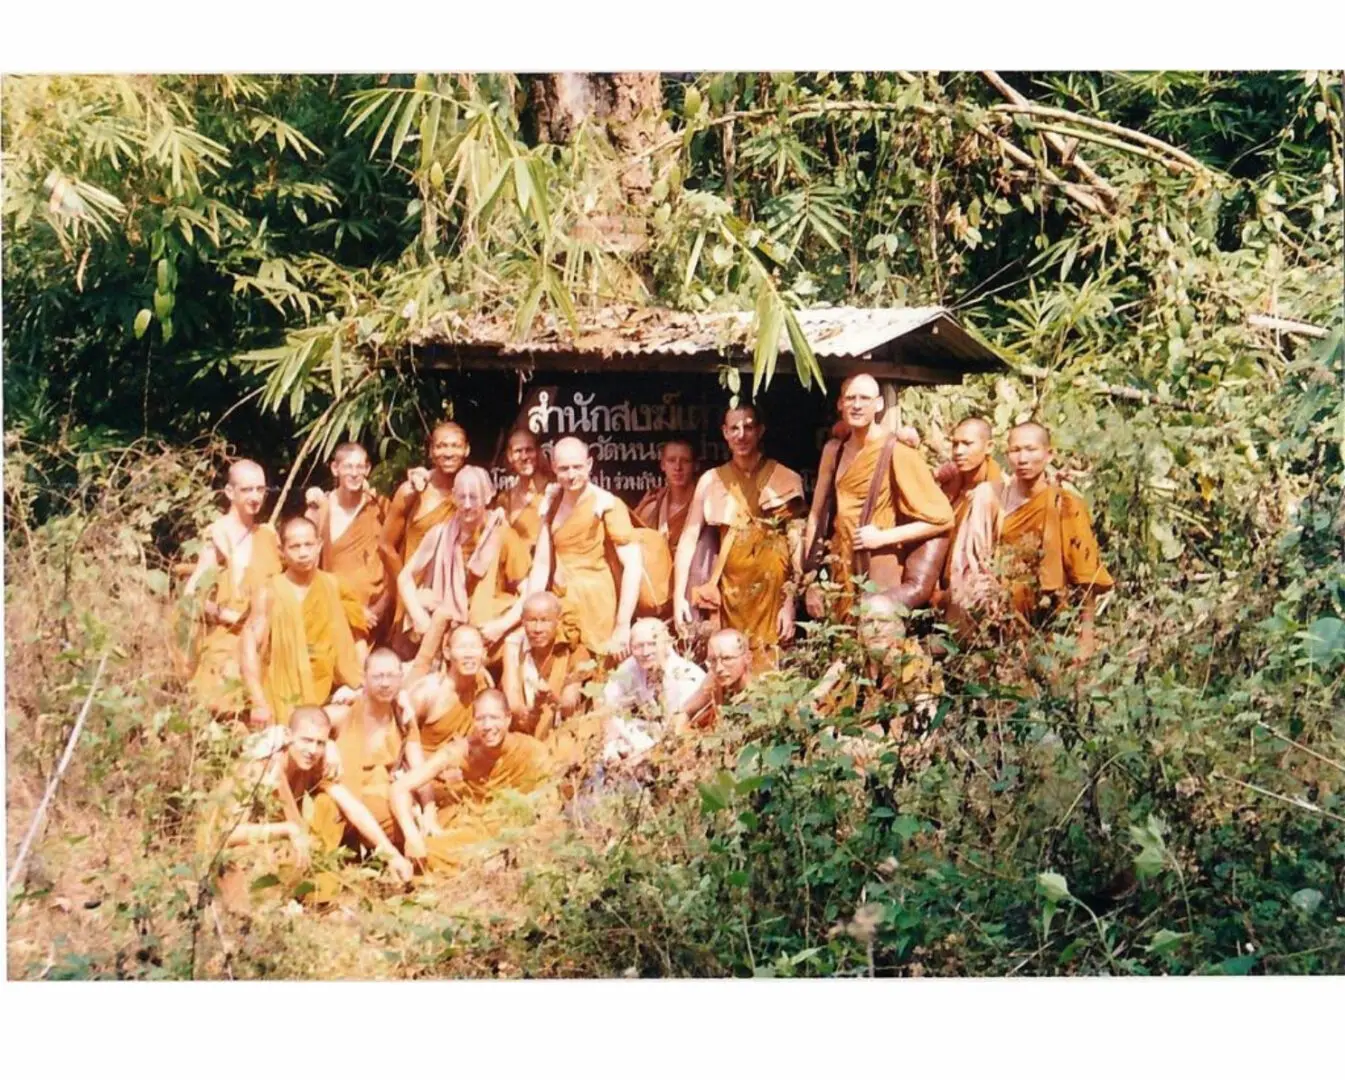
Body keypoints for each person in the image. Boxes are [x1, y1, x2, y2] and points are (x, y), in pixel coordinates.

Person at [948, 421, 1114, 659]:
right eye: (1015, 451)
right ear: (1006, 455)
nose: (1022, 459)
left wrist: (1086, 635)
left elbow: (1085, 575)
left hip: (1052, 618)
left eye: (1030, 449)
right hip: (1000, 618)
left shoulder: (1065, 504)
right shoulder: (993, 499)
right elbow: (973, 562)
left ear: (1049, 454)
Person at [201, 706, 411, 887]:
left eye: (320, 743)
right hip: (224, 849)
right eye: (306, 740)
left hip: (275, 843)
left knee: (327, 811)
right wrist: (286, 829)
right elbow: (224, 834)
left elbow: (353, 808)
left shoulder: (314, 763)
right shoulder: (261, 766)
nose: (312, 750)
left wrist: (391, 854)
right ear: (289, 737)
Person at [803, 374, 954, 618]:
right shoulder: (834, 450)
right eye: (850, 398)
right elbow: (816, 514)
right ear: (840, 404)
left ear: (879, 404)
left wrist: (884, 537)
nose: (857, 405)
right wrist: (809, 579)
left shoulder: (897, 450)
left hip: (879, 561)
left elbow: (943, 519)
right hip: (839, 565)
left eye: (865, 398)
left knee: (878, 640)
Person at [672, 404, 805, 665]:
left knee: (773, 670)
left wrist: (790, 602)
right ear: (725, 433)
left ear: (760, 431)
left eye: (748, 427)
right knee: (730, 664)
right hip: (730, 593)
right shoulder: (711, 480)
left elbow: (798, 545)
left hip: (773, 594)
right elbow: (688, 538)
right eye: (734, 428)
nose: (741, 435)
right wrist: (679, 597)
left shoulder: (786, 477)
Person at [390, 689, 551, 872]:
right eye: (481, 719)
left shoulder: (531, 750)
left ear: (508, 719)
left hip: (514, 827)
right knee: (426, 852)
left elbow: (549, 800)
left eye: (494, 718)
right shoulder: (463, 751)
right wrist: (411, 836)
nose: (487, 726)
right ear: (473, 721)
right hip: (475, 827)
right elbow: (399, 788)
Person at [240, 516, 365, 728]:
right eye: (295, 547)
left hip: (325, 696)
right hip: (281, 698)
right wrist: (258, 701)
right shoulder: (270, 592)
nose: (303, 553)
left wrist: (357, 683)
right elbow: (249, 646)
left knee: (356, 715)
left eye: (309, 545)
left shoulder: (332, 585)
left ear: (319, 545)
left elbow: (358, 638)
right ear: (281, 550)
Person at [526, 436, 643, 657]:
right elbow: (541, 565)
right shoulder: (551, 502)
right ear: (553, 467)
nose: (571, 475)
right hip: (561, 601)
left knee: (598, 676)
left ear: (589, 464)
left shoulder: (606, 504)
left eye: (577, 467)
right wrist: (532, 615)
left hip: (597, 602)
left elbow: (633, 566)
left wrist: (622, 624)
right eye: (564, 468)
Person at [396, 465, 531, 659]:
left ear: (489, 495)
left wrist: (501, 626)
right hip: (446, 620)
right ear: (453, 496)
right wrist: (419, 616)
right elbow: (405, 577)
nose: (467, 505)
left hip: (487, 625)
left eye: (474, 497)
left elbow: (527, 590)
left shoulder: (502, 535)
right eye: (462, 497)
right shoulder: (440, 534)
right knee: (423, 600)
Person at [184, 460, 283, 714]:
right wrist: (231, 617)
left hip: (265, 643)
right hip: (228, 643)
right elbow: (191, 596)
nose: (255, 497)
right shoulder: (218, 535)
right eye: (247, 490)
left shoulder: (266, 535)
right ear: (230, 492)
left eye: (260, 489)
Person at [315, 648, 425, 858]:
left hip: (384, 799)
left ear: (401, 678)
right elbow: (305, 725)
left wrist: (428, 813)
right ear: (364, 678)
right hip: (346, 795)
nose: (385, 683)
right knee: (325, 807)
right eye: (378, 676)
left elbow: (419, 769)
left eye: (391, 676)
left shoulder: (403, 717)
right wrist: (327, 744)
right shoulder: (345, 713)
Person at [381, 421, 470, 650]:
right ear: (431, 452)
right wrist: (407, 595)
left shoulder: (471, 492)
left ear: (466, 450)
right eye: (441, 446)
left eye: (455, 446)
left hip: (458, 594)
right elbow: (385, 546)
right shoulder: (413, 491)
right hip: (416, 597)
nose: (448, 453)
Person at [304, 443, 391, 660]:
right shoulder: (320, 509)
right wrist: (350, 609)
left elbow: (397, 557)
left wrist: (381, 606)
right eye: (348, 467)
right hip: (335, 610)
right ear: (335, 469)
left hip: (377, 613)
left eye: (359, 467)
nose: (354, 473)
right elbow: (305, 564)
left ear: (367, 470)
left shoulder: (379, 507)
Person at [600, 617, 705, 765]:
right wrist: (611, 747)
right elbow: (607, 703)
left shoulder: (687, 675)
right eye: (638, 646)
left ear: (668, 644)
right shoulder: (630, 666)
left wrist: (644, 757)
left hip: (681, 741)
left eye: (652, 644)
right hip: (650, 736)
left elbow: (681, 730)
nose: (645, 652)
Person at [500, 591, 595, 739]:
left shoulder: (574, 650)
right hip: (522, 729)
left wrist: (551, 698)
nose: (538, 629)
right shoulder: (513, 644)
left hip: (560, 731)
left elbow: (569, 706)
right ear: (522, 621)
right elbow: (513, 702)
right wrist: (534, 712)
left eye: (545, 620)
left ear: (557, 621)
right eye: (532, 620)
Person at [932, 417, 1004, 609]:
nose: (959, 452)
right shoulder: (952, 485)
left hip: (972, 594)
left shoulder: (994, 493)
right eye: (955, 444)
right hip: (939, 588)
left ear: (989, 447)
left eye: (967, 444)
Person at [404, 619, 494, 754]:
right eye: (462, 647)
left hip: (464, 766)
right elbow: (403, 740)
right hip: (425, 766)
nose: (469, 654)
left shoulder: (484, 684)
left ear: (484, 652)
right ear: (447, 652)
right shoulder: (427, 693)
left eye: (474, 647)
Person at [673, 628, 753, 732]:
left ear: (747, 658)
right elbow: (684, 711)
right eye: (713, 660)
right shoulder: (715, 677)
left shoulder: (757, 694)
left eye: (727, 658)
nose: (719, 668)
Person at [494, 428, 553, 553]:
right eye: (518, 451)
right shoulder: (505, 499)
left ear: (538, 452)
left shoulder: (553, 492)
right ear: (510, 456)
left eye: (529, 450)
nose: (524, 456)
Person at [634, 440, 697, 555]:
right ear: (663, 465)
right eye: (671, 460)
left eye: (685, 461)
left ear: (695, 465)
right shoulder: (652, 508)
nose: (678, 467)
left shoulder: (704, 506)